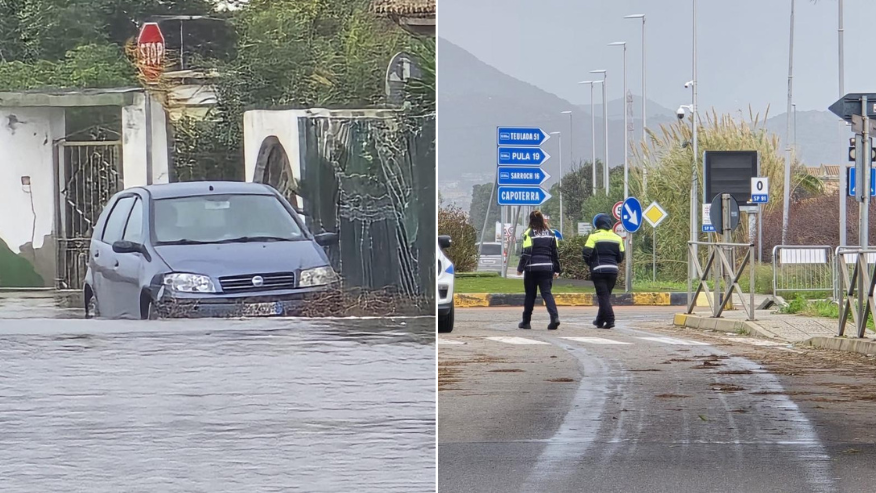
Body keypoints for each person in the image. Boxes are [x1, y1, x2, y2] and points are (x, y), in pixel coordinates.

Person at [516, 210, 561, 330]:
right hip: (547, 268)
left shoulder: (529, 233)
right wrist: (557, 269)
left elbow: (526, 253)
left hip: (532, 269)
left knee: (530, 295)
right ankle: (554, 318)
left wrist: (520, 268)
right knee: (547, 293)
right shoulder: (551, 233)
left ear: (530, 220)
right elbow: (555, 253)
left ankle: (526, 322)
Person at [582, 213, 625, 329]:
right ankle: (599, 320)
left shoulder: (593, 237)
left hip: (598, 270)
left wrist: (591, 263)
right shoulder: (617, 238)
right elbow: (621, 257)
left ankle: (610, 320)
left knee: (603, 296)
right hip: (613, 270)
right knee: (605, 296)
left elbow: (586, 253)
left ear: (597, 225)